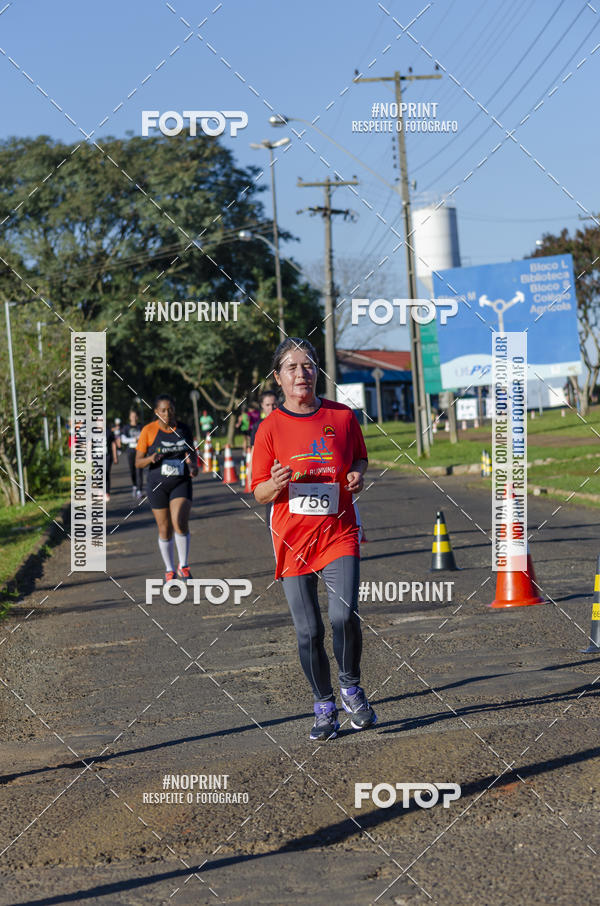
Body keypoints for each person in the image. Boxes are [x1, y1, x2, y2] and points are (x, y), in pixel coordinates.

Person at [251, 338, 376, 741]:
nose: (301, 373)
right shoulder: (269, 428)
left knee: (344, 615)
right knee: (309, 631)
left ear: (317, 371)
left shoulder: (342, 416)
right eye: (292, 367)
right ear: (278, 377)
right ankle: (324, 706)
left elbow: (359, 457)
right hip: (292, 540)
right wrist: (274, 484)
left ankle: (350, 688)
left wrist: (356, 475)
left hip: (339, 531)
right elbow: (259, 493)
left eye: (307, 365)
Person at [135, 394, 198, 582]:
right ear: (156, 412)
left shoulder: (184, 429)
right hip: (157, 485)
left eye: (170, 410)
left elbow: (191, 453)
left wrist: (193, 466)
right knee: (164, 528)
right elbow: (138, 462)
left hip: (180, 481)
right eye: (163, 410)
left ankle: (183, 566)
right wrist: (150, 458)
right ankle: (169, 570)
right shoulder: (148, 431)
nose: (167, 414)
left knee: (179, 520)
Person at [120, 409, 144, 498]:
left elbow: (145, 437)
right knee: (132, 470)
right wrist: (134, 439)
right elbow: (123, 440)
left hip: (140, 451)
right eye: (132, 416)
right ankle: (134, 485)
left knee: (139, 470)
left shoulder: (141, 426)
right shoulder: (126, 427)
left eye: (135, 416)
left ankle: (139, 490)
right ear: (130, 417)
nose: (134, 418)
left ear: (137, 417)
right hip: (130, 451)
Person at [105, 423, 118, 501]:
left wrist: (115, 457)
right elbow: (90, 443)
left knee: (106, 473)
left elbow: (113, 444)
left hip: (107, 456)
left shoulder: (108, 432)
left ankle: (107, 492)